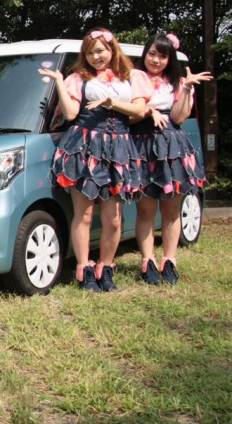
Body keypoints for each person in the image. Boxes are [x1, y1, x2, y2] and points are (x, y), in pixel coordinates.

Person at [38, 29, 148, 292]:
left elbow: (140, 109)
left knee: (113, 218)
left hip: (118, 148)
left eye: (100, 51)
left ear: (112, 50)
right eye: (89, 53)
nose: (95, 57)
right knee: (84, 214)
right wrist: (59, 82)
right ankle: (84, 269)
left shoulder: (132, 76)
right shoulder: (78, 79)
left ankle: (106, 267)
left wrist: (112, 103)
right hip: (85, 146)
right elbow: (71, 113)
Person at [130, 33, 211, 285]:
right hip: (142, 144)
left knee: (172, 210)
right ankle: (148, 261)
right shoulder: (135, 76)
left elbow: (178, 117)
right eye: (152, 54)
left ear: (170, 59)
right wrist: (150, 111)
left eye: (162, 56)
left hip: (172, 146)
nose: (156, 60)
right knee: (145, 210)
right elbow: (132, 113)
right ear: (145, 54)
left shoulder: (177, 82)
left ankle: (169, 260)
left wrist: (186, 88)